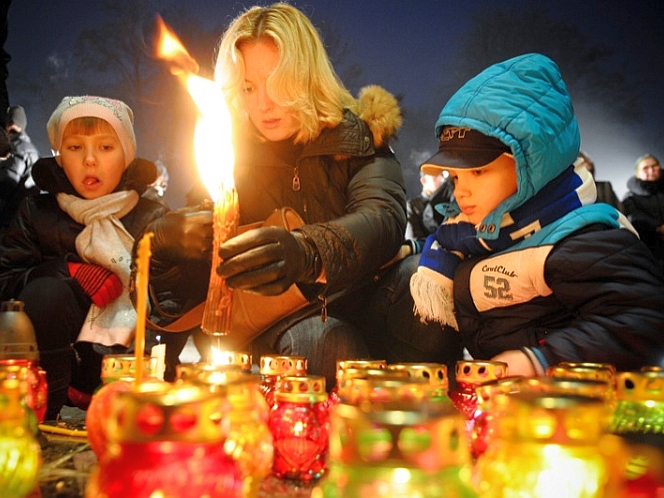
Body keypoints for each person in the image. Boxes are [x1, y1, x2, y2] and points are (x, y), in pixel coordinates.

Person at [140, 3, 462, 388]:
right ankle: (306, 438)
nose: (264, 103)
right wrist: (159, 245)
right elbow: (191, 290)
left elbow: (382, 220)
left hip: (366, 302)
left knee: (424, 283)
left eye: (279, 81)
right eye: (249, 87)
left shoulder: (360, 138)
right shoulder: (228, 157)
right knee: (325, 342)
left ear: (308, 76)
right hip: (277, 323)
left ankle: (423, 414)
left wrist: (306, 251)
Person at [410, 53, 664, 377]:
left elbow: (643, 321)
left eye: (478, 171)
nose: (461, 192)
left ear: (530, 163)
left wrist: (541, 361)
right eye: (456, 176)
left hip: (573, 411)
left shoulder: (579, 239)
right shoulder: (484, 235)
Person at [0, 95, 168, 419]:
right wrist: (66, 273)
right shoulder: (37, 211)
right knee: (45, 294)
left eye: (106, 147)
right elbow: (6, 281)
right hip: (61, 369)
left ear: (126, 155)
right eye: (75, 147)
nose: (90, 160)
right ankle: (42, 416)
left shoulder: (153, 217)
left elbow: (173, 303)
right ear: (60, 156)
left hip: (135, 370)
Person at [0, 105, 41, 236]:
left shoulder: (16, 148)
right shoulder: (31, 149)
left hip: (8, 217)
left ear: (8, 123)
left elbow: (7, 183)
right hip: (22, 217)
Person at [622, 153, 664, 269]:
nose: (651, 170)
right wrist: (658, 228)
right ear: (638, 173)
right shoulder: (630, 197)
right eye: (645, 168)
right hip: (648, 250)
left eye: (654, 166)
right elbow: (634, 218)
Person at [405, 170, 454, 252]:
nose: (441, 179)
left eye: (442, 175)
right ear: (423, 181)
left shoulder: (450, 200)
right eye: (435, 177)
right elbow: (413, 238)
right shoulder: (412, 205)